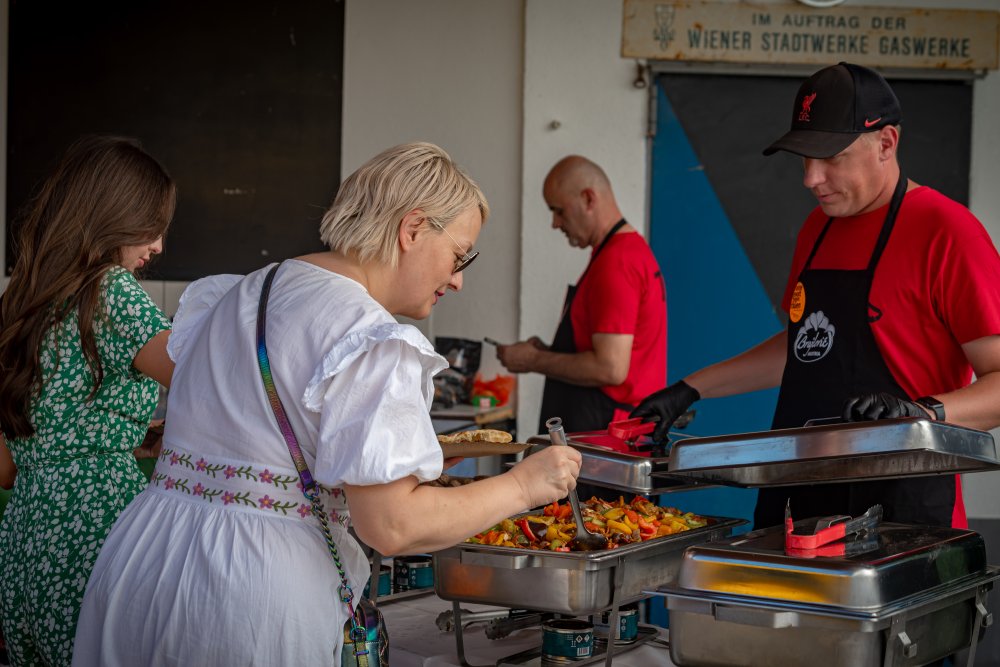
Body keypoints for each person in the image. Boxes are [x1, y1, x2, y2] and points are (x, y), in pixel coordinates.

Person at [72, 142, 582, 666]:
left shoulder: (245, 292)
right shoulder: (372, 339)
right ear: (412, 229)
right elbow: (392, 525)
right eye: (460, 255)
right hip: (247, 595)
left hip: (144, 561)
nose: (458, 279)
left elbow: (256, 442)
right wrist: (523, 486)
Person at [632, 62, 1000, 531]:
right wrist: (691, 387)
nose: (810, 178)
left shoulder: (946, 232)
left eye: (832, 157)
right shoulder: (817, 229)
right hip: (798, 496)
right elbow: (807, 345)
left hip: (903, 513)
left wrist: (923, 414)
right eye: (804, 158)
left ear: (886, 143)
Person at [0, 135, 176, 667]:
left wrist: (124, 437)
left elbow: (8, 467)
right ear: (112, 215)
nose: (158, 245)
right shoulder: (111, 289)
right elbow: (207, 381)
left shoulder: (21, 301)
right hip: (97, 527)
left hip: (26, 538)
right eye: (150, 225)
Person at [497, 156, 667, 435]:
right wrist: (550, 353)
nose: (555, 223)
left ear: (588, 199)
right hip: (610, 427)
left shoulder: (617, 262)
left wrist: (532, 360)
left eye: (559, 211)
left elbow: (609, 368)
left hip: (607, 435)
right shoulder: (628, 251)